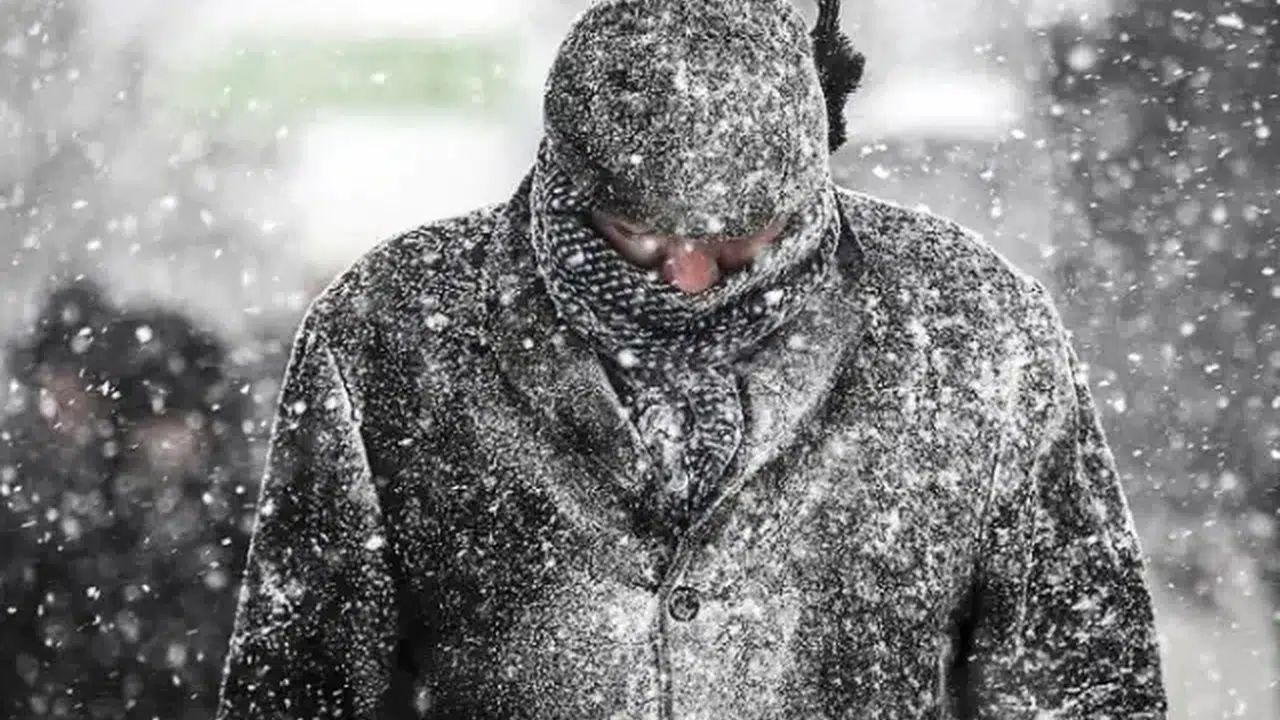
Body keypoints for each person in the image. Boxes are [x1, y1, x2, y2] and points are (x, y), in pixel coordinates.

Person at [217, 0, 1168, 717]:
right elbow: (299, 685)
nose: (687, 277)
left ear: (809, 182)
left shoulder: (974, 331)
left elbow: (1081, 678)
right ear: (566, 176)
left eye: (741, 238)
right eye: (635, 232)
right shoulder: (391, 333)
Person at [0, 283, 255, 719]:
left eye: (178, 417)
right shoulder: (70, 528)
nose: (165, 442)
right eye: (149, 418)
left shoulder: (245, 526)